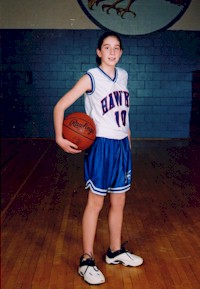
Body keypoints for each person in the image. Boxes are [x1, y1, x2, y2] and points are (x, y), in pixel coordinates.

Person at [53, 31, 143, 285]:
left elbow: (124, 114)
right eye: (107, 47)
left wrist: (128, 140)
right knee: (96, 203)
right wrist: (60, 138)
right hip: (101, 147)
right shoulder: (90, 77)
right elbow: (59, 106)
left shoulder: (124, 75)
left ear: (121, 52)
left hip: (121, 146)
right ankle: (86, 260)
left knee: (119, 201)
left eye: (116, 47)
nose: (112, 52)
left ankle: (114, 252)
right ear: (99, 52)